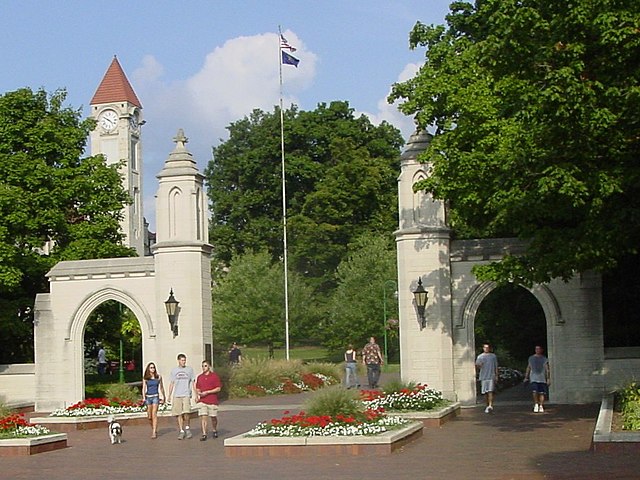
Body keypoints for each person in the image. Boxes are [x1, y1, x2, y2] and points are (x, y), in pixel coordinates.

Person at [167, 353, 196, 440]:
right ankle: (181, 430)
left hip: (186, 394)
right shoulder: (174, 371)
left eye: (184, 360)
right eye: (182, 360)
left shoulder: (189, 370)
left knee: (186, 412)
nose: (184, 362)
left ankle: (187, 428)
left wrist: (196, 393)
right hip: (177, 394)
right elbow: (172, 383)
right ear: (178, 360)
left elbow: (193, 382)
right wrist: (169, 395)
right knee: (178, 413)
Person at [195, 360, 222, 441]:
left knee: (213, 417)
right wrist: (198, 394)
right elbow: (197, 387)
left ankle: (214, 429)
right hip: (203, 400)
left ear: (209, 366)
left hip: (212, 400)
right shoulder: (200, 377)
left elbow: (218, 388)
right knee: (203, 416)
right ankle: (204, 434)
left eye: (205, 366)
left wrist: (208, 392)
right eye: (203, 366)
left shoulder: (214, 376)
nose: (204, 368)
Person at [142, 362, 166, 439]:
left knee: (154, 414)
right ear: (148, 369)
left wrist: (164, 396)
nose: (152, 369)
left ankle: (154, 432)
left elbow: (161, 387)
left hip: (155, 396)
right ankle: (153, 428)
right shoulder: (146, 378)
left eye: (153, 367)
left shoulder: (158, 377)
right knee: (149, 416)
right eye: (151, 368)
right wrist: (143, 397)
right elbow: (143, 388)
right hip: (148, 397)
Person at [525, 345, 551, 413]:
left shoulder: (544, 359)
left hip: (542, 378)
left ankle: (541, 405)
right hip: (533, 377)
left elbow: (547, 369)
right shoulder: (531, 358)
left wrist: (548, 378)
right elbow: (529, 367)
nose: (537, 350)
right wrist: (526, 377)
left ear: (541, 350)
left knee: (542, 393)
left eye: (539, 349)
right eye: (536, 349)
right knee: (534, 391)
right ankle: (536, 403)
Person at [476, 343, 499, 413]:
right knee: (485, 393)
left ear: (489, 348)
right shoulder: (480, 357)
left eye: (487, 347)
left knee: (490, 391)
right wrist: (479, 366)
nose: (486, 349)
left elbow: (496, 366)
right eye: (485, 347)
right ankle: (487, 405)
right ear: (483, 348)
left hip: (491, 376)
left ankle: (490, 405)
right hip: (483, 377)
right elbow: (477, 366)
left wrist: (496, 375)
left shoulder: (493, 356)